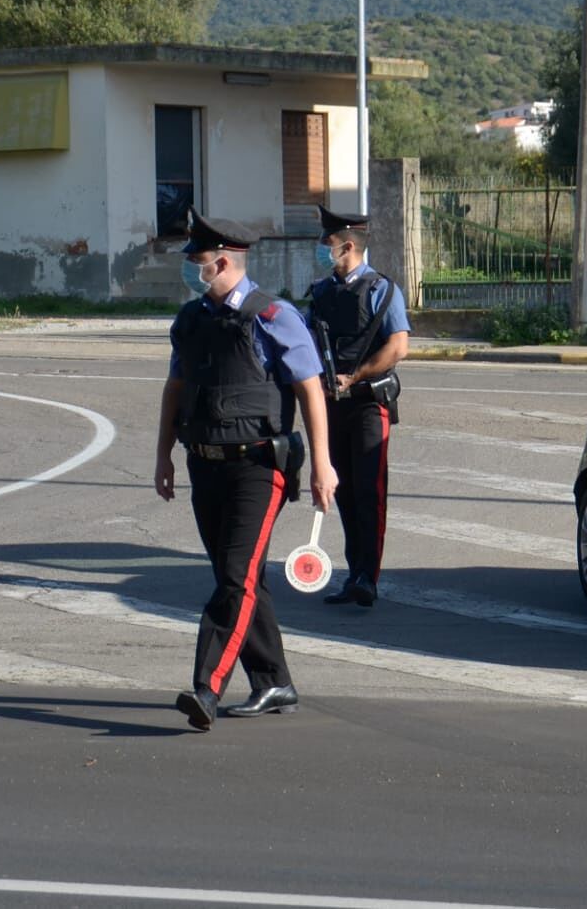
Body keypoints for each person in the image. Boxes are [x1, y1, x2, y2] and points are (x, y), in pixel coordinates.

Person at [154, 209, 338, 732]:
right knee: (241, 577)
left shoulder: (274, 316)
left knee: (234, 580)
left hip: (259, 467)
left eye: (197, 261)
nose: (191, 269)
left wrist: (323, 464)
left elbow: (310, 390)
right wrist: (163, 454)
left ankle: (206, 687)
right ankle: (273, 680)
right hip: (205, 464)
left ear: (223, 261)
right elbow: (175, 389)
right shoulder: (191, 321)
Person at [307, 205, 411, 608]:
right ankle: (354, 574)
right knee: (345, 493)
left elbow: (398, 346)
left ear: (347, 246)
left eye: (326, 242)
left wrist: (356, 375)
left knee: (370, 492)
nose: (320, 247)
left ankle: (369, 576)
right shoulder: (321, 292)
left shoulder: (383, 289)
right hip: (332, 406)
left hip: (368, 404)